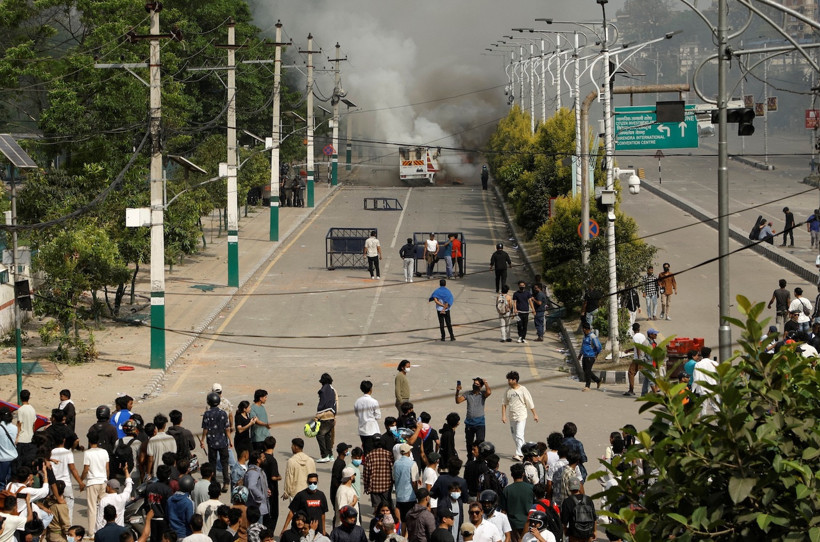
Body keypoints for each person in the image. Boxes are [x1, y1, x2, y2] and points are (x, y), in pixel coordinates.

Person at [500, 372, 537, 461]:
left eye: (510, 380)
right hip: (512, 416)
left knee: (519, 435)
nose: (508, 382)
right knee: (514, 436)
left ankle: (519, 454)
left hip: (521, 416)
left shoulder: (523, 390)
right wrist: (503, 416)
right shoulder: (508, 390)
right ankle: (525, 452)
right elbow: (504, 404)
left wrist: (535, 414)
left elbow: (530, 402)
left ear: (515, 380)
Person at [200, 393, 231, 493]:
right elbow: (227, 428)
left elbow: (205, 429)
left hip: (212, 442)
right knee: (224, 462)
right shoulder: (223, 413)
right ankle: (226, 482)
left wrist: (202, 440)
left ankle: (213, 482)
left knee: (212, 463)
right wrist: (230, 440)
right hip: (223, 442)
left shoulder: (207, 414)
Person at [82, 429, 110, 536]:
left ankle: (91, 532)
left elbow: (86, 469)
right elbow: (107, 469)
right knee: (102, 506)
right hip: (103, 481)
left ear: (89, 441)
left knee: (92, 508)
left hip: (92, 482)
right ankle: (102, 528)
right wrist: (106, 479)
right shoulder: (104, 452)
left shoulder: (87, 453)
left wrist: (81, 480)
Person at [455, 378, 491, 456]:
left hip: (480, 423)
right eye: (474, 383)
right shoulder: (468, 394)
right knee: (469, 443)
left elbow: (489, 392)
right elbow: (458, 401)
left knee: (480, 442)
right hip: (469, 423)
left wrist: (485, 383)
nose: (475, 385)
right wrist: (457, 391)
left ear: (481, 386)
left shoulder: (482, 394)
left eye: (477, 384)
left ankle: (480, 457)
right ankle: (470, 458)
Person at [362, 436, 395, 512]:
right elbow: (393, 469)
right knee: (387, 505)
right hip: (387, 485)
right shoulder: (388, 454)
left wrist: (366, 486)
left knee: (376, 506)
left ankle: (377, 517)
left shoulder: (369, 455)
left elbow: (366, 473)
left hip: (374, 486)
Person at [502, 464, 532, 542]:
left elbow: (503, 511)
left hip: (513, 525)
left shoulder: (507, 490)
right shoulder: (531, 488)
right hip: (528, 523)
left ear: (512, 475)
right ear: (523, 474)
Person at [393, 444, 419, 528]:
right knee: (411, 520)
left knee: (403, 520)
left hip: (399, 496)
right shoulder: (412, 463)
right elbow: (414, 481)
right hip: (410, 496)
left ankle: (403, 534)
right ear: (408, 452)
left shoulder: (396, 463)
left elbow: (394, 478)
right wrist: (416, 493)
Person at [353, 381, 381, 454]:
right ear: (370, 389)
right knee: (374, 452)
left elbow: (357, 414)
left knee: (366, 450)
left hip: (362, 430)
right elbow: (378, 416)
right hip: (372, 430)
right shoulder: (374, 401)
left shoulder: (357, 401)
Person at [315, 374, 338, 463]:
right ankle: (330, 455)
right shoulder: (333, 390)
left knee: (319, 435)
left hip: (325, 417)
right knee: (328, 436)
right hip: (332, 416)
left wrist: (317, 416)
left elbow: (322, 405)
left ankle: (324, 455)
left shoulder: (323, 391)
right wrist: (335, 416)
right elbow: (336, 403)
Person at [624, 323, 647, 397]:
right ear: (639, 329)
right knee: (647, 373)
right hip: (643, 357)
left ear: (633, 329)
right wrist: (629, 350)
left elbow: (638, 347)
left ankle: (631, 390)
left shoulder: (635, 337)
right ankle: (655, 387)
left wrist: (639, 359)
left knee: (630, 373)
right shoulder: (642, 336)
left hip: (637, 359)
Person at [579, 322, 602, 392]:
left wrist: (596, 354)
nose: (583, 331)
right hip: (585, 356)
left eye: (584, 329)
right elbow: (583, 346)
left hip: (590, 356)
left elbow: (598, 346)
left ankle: (587, 386)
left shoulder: (592, 336)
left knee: (588, 371)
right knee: (586, 370)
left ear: (586, 329)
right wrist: (580, 355)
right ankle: (598, 380)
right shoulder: (585, 336)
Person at [0, 407, 18, 485]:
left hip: (3, 459)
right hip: (13, 458)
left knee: (2, 482)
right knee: (11, 483)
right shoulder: (15, 428)